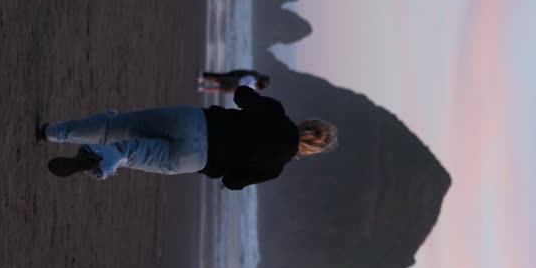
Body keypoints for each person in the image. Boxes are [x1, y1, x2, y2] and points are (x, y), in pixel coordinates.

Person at [37, 75, 337, 189]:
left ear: (305, 124)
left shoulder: (277, 113)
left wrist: (253, 98)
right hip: (196, 158)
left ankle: (54, 132)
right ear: (309, 151)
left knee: (117, 127)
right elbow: (233, 182)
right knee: (129, 153)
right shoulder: (274, 168)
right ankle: (99, 160)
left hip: (195, 122)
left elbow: (242, 95)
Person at [198, 68, 271, 93]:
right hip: (235, 88)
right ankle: (203, 89)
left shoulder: (254, 77)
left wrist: (233, 73)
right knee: (219, 89)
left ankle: (203, 78)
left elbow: (242, 74)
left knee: (218, 80)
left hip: (235, 80)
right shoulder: (253, 89)